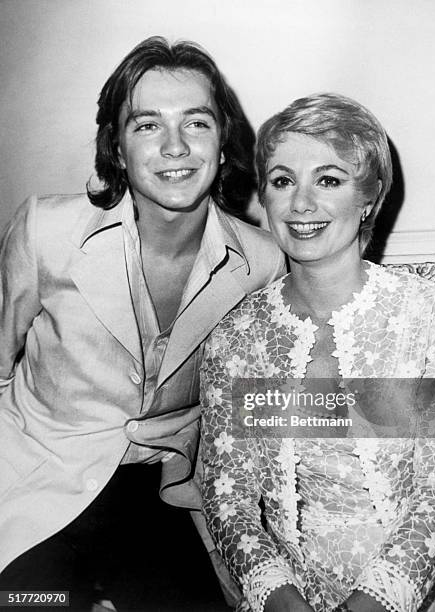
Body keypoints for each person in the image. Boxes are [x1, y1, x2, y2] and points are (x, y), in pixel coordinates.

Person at [0, 37, 284, 609]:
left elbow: (248, 411)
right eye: (147, 124)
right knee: (33, 604)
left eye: (197, 123)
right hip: (35, 479)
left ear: (224, 143)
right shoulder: (44, 230)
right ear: (118, 148)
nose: (175, 146)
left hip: (160, 494)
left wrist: (223, 542)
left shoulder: (263, 263)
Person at [200, 93, 435, 612]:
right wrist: (278, 595)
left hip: (426, 582)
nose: (301, 204)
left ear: (369, 197)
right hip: (288, 591)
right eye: (283, 181)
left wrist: (369, 604)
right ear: (263, 196)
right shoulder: (234, 339)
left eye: (328, 180)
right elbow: (228, 495)